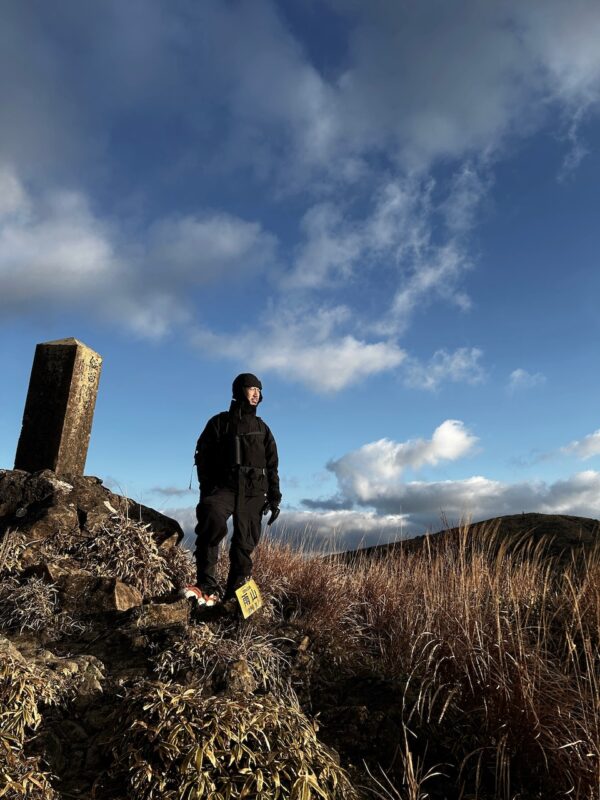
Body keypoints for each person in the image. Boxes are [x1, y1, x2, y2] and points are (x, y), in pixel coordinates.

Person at [186, 373, 281, 607]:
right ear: (239, 390)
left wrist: (275, 497)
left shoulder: (263, 429)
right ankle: (206, 585)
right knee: (211, 519)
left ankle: (236, 593)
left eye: (259, 389)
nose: (256, 393)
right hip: (224, 488)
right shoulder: (219, 422)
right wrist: (207, 489)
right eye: (251, 388)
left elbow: (272, 466)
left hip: (254, 493)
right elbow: (203, 456)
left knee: (244, 543)